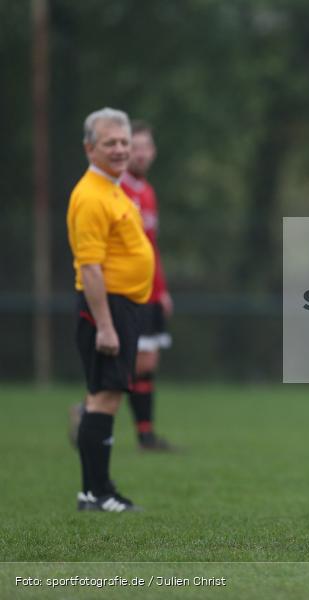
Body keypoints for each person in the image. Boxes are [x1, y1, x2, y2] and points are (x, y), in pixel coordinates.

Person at [68, 107, 154, 511]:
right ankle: (97, 493)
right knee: (104, 399)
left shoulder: (114, 188)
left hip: (125, 307)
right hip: (108, 308)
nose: (120, 149)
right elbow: (90, 267)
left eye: (123, 142)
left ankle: (94, 490)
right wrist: (105, 325)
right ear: (90, 148)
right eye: (110, 143)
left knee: (103, 398)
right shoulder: (89, 195)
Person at [120, 121, 175, 450]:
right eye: (134, 147)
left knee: (147, 362)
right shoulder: (118, 190)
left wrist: (162, 288)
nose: (141, 153)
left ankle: (145, 434)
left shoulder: (147, 191)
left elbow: (150, 247)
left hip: (150, 292)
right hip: (128, 290)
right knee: (130, 362)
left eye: (145, 147)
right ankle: (92, 409)